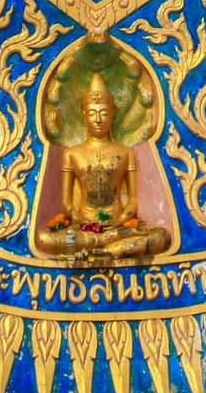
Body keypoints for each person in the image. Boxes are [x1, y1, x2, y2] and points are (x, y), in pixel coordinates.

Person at [34, 73, 169, 262]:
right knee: (44, 239)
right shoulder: (72, 154)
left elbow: (132, 201)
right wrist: (79, 220)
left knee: (162, 236)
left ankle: (105, 246)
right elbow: (66, 202)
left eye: (104, 113)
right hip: (83, 230)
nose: (98, 119)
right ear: (84, 114)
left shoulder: (125, 152)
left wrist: (119, 221)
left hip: (118, 228)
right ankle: (108, 246)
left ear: (112, 113)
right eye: (92, 113)